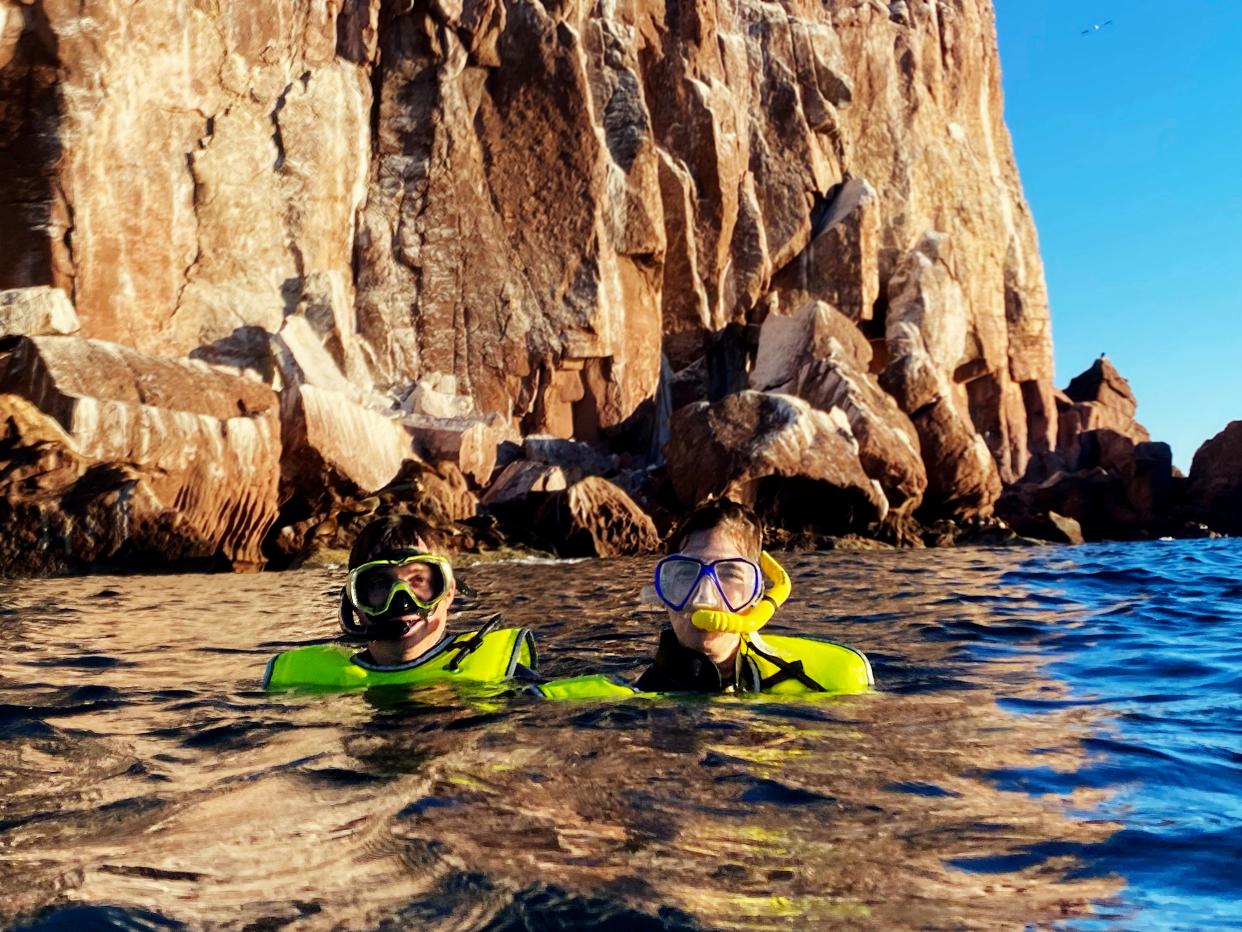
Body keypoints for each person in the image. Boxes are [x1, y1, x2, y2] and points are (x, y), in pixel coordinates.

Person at [536, 500, 873, 699]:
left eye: (729, 575)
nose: (703, 597)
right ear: (662, 594)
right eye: (684, 575)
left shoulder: (831, 685)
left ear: (758, 594)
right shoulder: (611, 703)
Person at [264, 515, 537, 691]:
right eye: (381, 585)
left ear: (449, 591)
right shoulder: (301, 680)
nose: (402, 603)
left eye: (418, 581)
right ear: (355, 601)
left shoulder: (504, 675)